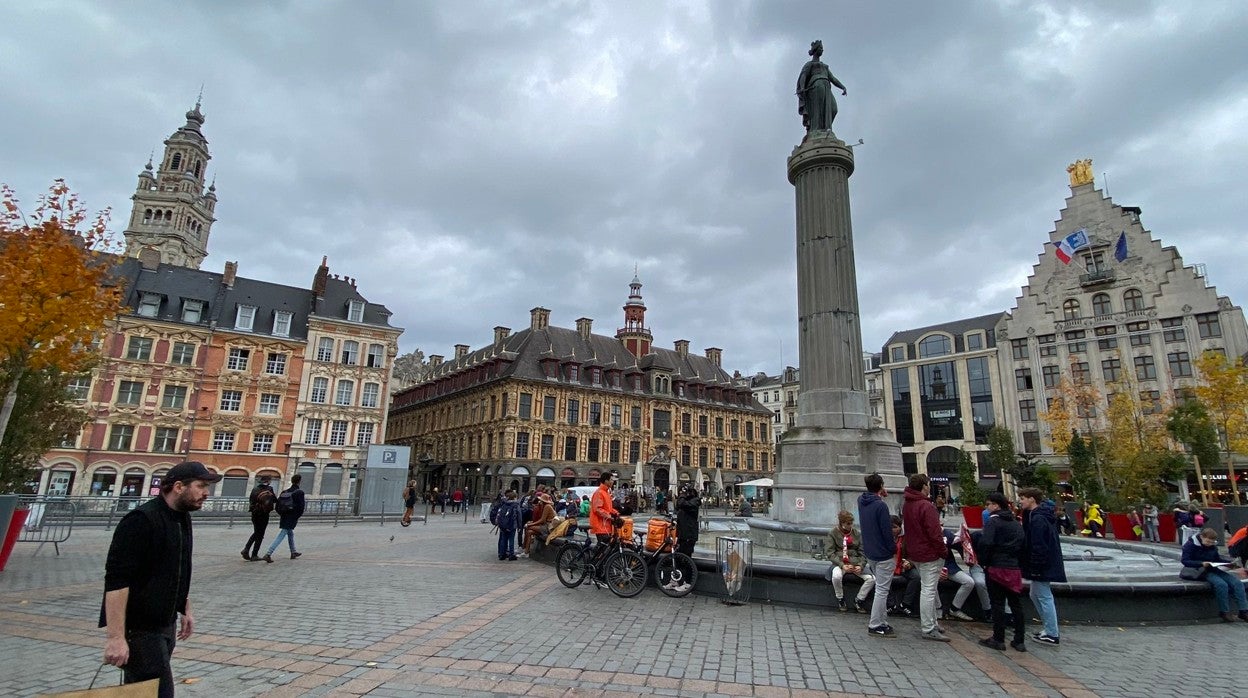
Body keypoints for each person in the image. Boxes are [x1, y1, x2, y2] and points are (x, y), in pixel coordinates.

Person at [101, 461, 223, 697]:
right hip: (140, 628)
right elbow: (117, 582)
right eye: (201, 486)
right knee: (159, 693)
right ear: (179, 486)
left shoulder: (182, 517)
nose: (206, 493)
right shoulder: (140, 520)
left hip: (165, 624)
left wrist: (185, 608)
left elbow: (177, 567)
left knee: (141, 692)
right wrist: (115, 637)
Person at [902, 473, 949, 642]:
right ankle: (928, 627)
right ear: (924, 486)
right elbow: (934, 533)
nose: (930, 487)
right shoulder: (926, 506)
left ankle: (933, 623)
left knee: (928, 589)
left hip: (915, 552)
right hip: (929, 553)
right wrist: (943, 551)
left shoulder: (907, 504)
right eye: (928, 484)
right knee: (929, 591)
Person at [978, 493, 1027, 652]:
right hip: (1013, 568)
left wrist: (984, 562)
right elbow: (1022, 544)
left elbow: (986, 542)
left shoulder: (993, 522)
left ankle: (998, 639)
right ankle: (1019, 640)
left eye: (988, 504)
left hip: (996, 567)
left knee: (997, 604)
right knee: (1016, 605)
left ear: (996, 506)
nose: (987, 507)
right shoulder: (1015, 523)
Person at [1018, 488, 1065, 646]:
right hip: (1043, 563)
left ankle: (1052, 633)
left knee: (1044, 596)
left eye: (1023, 498)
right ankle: (1049, 629)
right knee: (1035, 594)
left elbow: (1039, 544)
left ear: (1032, 499)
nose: (1020, 501)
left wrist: (1035, 566)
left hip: (1042, 565)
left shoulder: (1038, 518)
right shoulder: (1035, 515)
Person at [858, 474, 896, 638]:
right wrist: (893, 548)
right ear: (881, 485)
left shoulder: (861, 501)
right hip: (883, 553)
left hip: (870, 551)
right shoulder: (881, 506)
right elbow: (886, 531)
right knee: (882, 590)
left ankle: (883, 622)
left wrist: (879, 493)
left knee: (881, 588)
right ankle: (875, 624)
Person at [1182, 527, 1248, 623]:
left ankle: (1244, 611)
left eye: (1212, 542)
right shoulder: (1190, 545)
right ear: (1201, 537)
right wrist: (1201, 563)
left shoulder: (1213, 546)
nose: (1210, 544)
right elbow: (1185, 561)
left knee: (1237, 583)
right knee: (1221, 584)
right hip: (1201, 570)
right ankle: (1224, 611)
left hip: (1214, 568)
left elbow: (1217, 559)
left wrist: (1230, 564)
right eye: (1208, 542)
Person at [825, 510, 874, 613]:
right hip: (840, 563)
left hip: (855, 563)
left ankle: (859, 600)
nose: (850, 525)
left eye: (851, 523)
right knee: (836, 576)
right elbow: (830, 553)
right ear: (841, 523)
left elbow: (863, 552)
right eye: (848, 524)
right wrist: (842, 565)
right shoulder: (833, 533)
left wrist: (860, 565)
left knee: (871, 579)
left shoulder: (856, 533)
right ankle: (840, 598)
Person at [795, 39, 847, 132]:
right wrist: (802, 87)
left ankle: (826, 128)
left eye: (822, 48)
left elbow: (833, 78)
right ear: (816, 49)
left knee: (833, 109)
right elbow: (803, 75)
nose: (822, 50)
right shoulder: (810, 64)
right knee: (817, 109)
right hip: (816, 85)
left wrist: (842, 87)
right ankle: (816, 130)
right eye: (820, 48)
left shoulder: (825, 66)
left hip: (827, 86)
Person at [262, 474, 306, 563]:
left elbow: (278, 505)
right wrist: (296, 516)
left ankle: (293, 552)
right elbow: (301, 507)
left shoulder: (285, 492)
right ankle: (268, 553)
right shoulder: (299, 492)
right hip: (292, 516)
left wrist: (282, 514)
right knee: (282, 534)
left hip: (284, 515)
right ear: (299, 481)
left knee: (290, 533)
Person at [940, 528, 978, 621]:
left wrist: (964, 539)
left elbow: (959, 545)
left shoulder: (945, 533)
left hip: (948, 567)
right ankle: (937, 610)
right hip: (929, 567)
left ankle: (954, 608)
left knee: (969, 582)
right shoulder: (923, 533)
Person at [241, 475, 275, 561]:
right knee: (260, 534)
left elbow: (251, 500)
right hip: (264, 514)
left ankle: (247, 549)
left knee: (257, 532)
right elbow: (274, 500)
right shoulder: (269, 489)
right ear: (268, 481)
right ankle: (253, 554)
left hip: (255, 513)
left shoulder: (255, 489)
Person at [522, 493, 556, 557]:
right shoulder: (546, 506)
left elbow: (542, 520)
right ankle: (526, 551)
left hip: (548, 527)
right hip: (546, 526)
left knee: (528, 528)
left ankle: (524, 548)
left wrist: (530, 524)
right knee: (529, 532)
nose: (539, 502)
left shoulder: (547, 507)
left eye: (541, 500)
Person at [674, 483, 701, 557]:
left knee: (686, 556)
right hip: (683, 534)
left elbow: (682, 503)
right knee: (680, 554)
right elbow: (678, 505)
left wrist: (683, 494)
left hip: (689, 534)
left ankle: (689, 568)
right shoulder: (687, 500)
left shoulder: (695, 501)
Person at [495, 490, 520, 561]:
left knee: (503, 539)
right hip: (512, 525)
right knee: (511, 540)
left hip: (503, 525)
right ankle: (511, 555)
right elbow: (519, 516)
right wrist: (519, 526)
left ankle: (502, 554)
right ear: (514, 497)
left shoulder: (504, 504)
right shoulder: (516, 505)